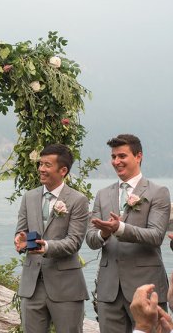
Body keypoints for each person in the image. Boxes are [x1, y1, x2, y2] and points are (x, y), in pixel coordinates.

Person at [86, 134, 171, 333]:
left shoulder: (158, 192)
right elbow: (90, 239)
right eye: (114, 157)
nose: (116, 162)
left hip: (146, 287)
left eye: (122, 156)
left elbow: (156, 236)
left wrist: (120, 229)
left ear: (138, 156)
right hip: (109, 290)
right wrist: (104, 234)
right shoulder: (102, 194)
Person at [14, 144, 89, 332]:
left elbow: (74, 242)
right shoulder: (29, 197)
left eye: (47, 165)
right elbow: (22, 230)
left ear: (62, 170)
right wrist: (20, 240)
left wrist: (46, 247)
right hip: (32, 286)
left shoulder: (78, 200)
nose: (41, 169)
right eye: (40, 164)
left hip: (66, 287)